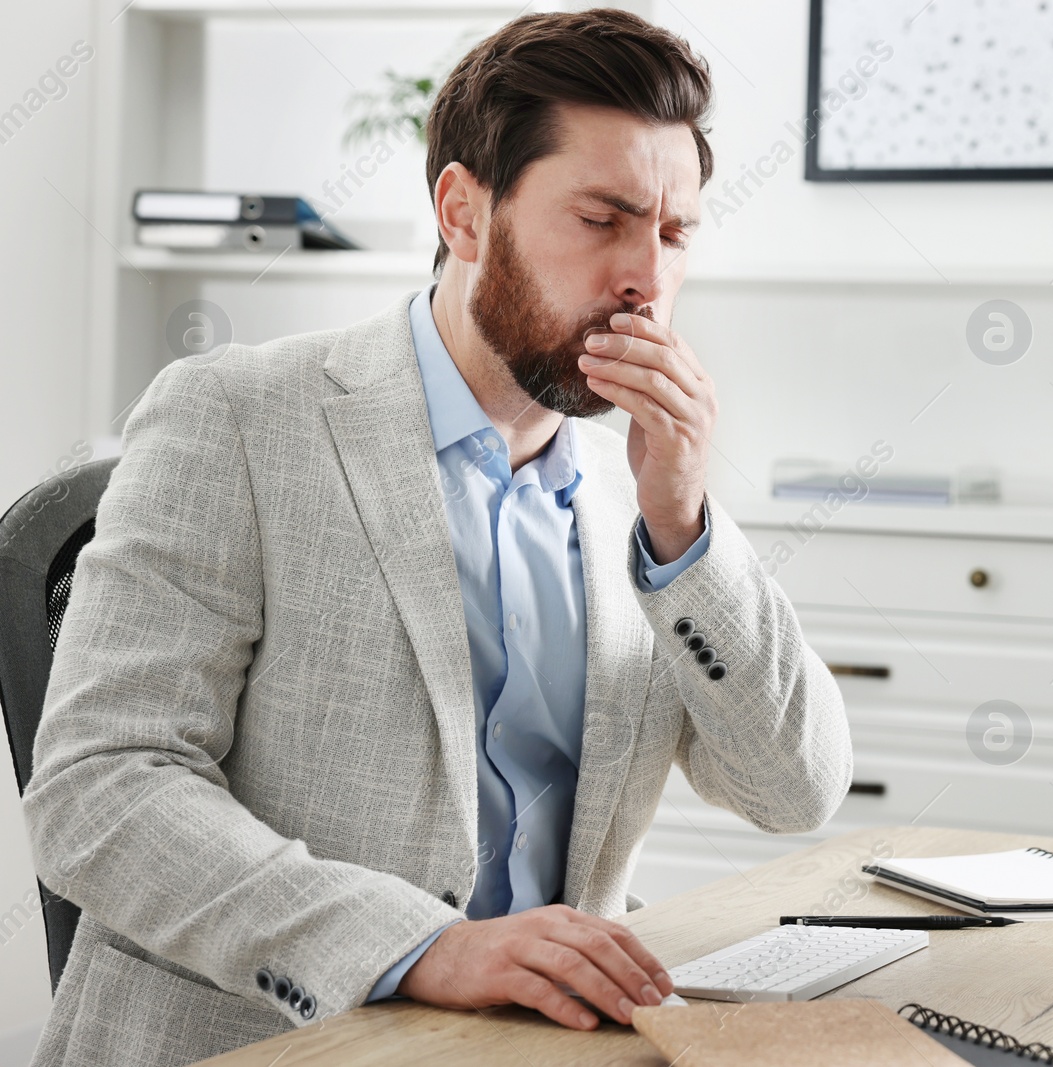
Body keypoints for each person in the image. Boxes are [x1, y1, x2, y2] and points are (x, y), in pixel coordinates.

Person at [22, 10, 850, 1066]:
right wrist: (418, 946)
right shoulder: (237, 415)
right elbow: (102, 789)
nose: (647, 276)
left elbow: (795, 790)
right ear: (464, 211)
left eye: (675, 232)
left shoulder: (632, 493)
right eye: (603, 218)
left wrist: (683, 524)